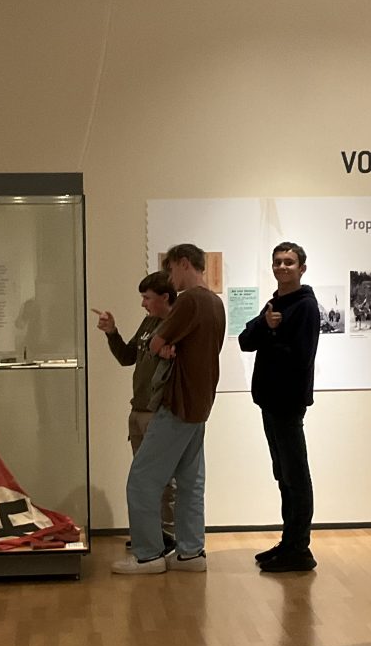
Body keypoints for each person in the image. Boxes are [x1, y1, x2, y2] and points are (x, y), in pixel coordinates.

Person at [113, 243, 226, 575]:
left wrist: (161, 345)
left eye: (171, 268)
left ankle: (148, 555)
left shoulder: (190, 300)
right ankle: (191, 553)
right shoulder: (215, 302)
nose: (170, 276)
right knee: (190, 481)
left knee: (142, 479)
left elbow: (156, 342)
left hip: (177, 403)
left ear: (184, 263)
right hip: (200, 403)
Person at [238, 241, 320, 572]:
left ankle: (300, 550)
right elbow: (245, 341)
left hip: (288, 403)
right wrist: (266, 326)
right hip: (270, 401)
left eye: (289, 262)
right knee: (284, 475)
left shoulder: (306, 307)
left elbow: (300, 357)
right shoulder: (275, 303)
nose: (282, 267)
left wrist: (270, 334)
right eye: (278, 262)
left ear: (302, 268)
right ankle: (289, 542)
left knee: (295, 475)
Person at [93, 271, 177, 552]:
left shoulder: (177, 325)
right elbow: (127, 357)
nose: (143, 303)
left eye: (147, 298)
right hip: (138, 409)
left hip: (159, 411)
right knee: (143, 478)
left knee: (165, 480)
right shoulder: (149, 322)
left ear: (164, 297)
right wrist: (112, 332)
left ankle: (168, 536)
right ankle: (150, 534)